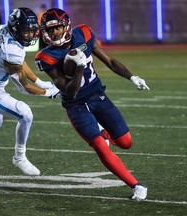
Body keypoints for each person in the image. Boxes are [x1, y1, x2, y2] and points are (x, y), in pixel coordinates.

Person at [35, 8, 149, 200]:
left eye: (57, 28)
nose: (54, 33)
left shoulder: (84, 33)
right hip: (75, 105)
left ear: (67, 26)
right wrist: (79, 67)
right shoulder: (45, 56)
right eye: (50, 29)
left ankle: (104, 132)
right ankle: (136, 185)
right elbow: (69, 92)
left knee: (125, 142)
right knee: (99, 145)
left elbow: (110, 60)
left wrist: (132, 77)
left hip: (97, 94)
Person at [0, 7, 59, 181]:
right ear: (16, 29)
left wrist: (40, 82)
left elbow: (20, 63)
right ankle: (20, 157)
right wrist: (48, 92)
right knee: (25, 114)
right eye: (26, 31)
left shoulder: (7, 33)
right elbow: (23, 87)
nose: (30, 35)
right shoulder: (11, 50)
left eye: (32, 31)